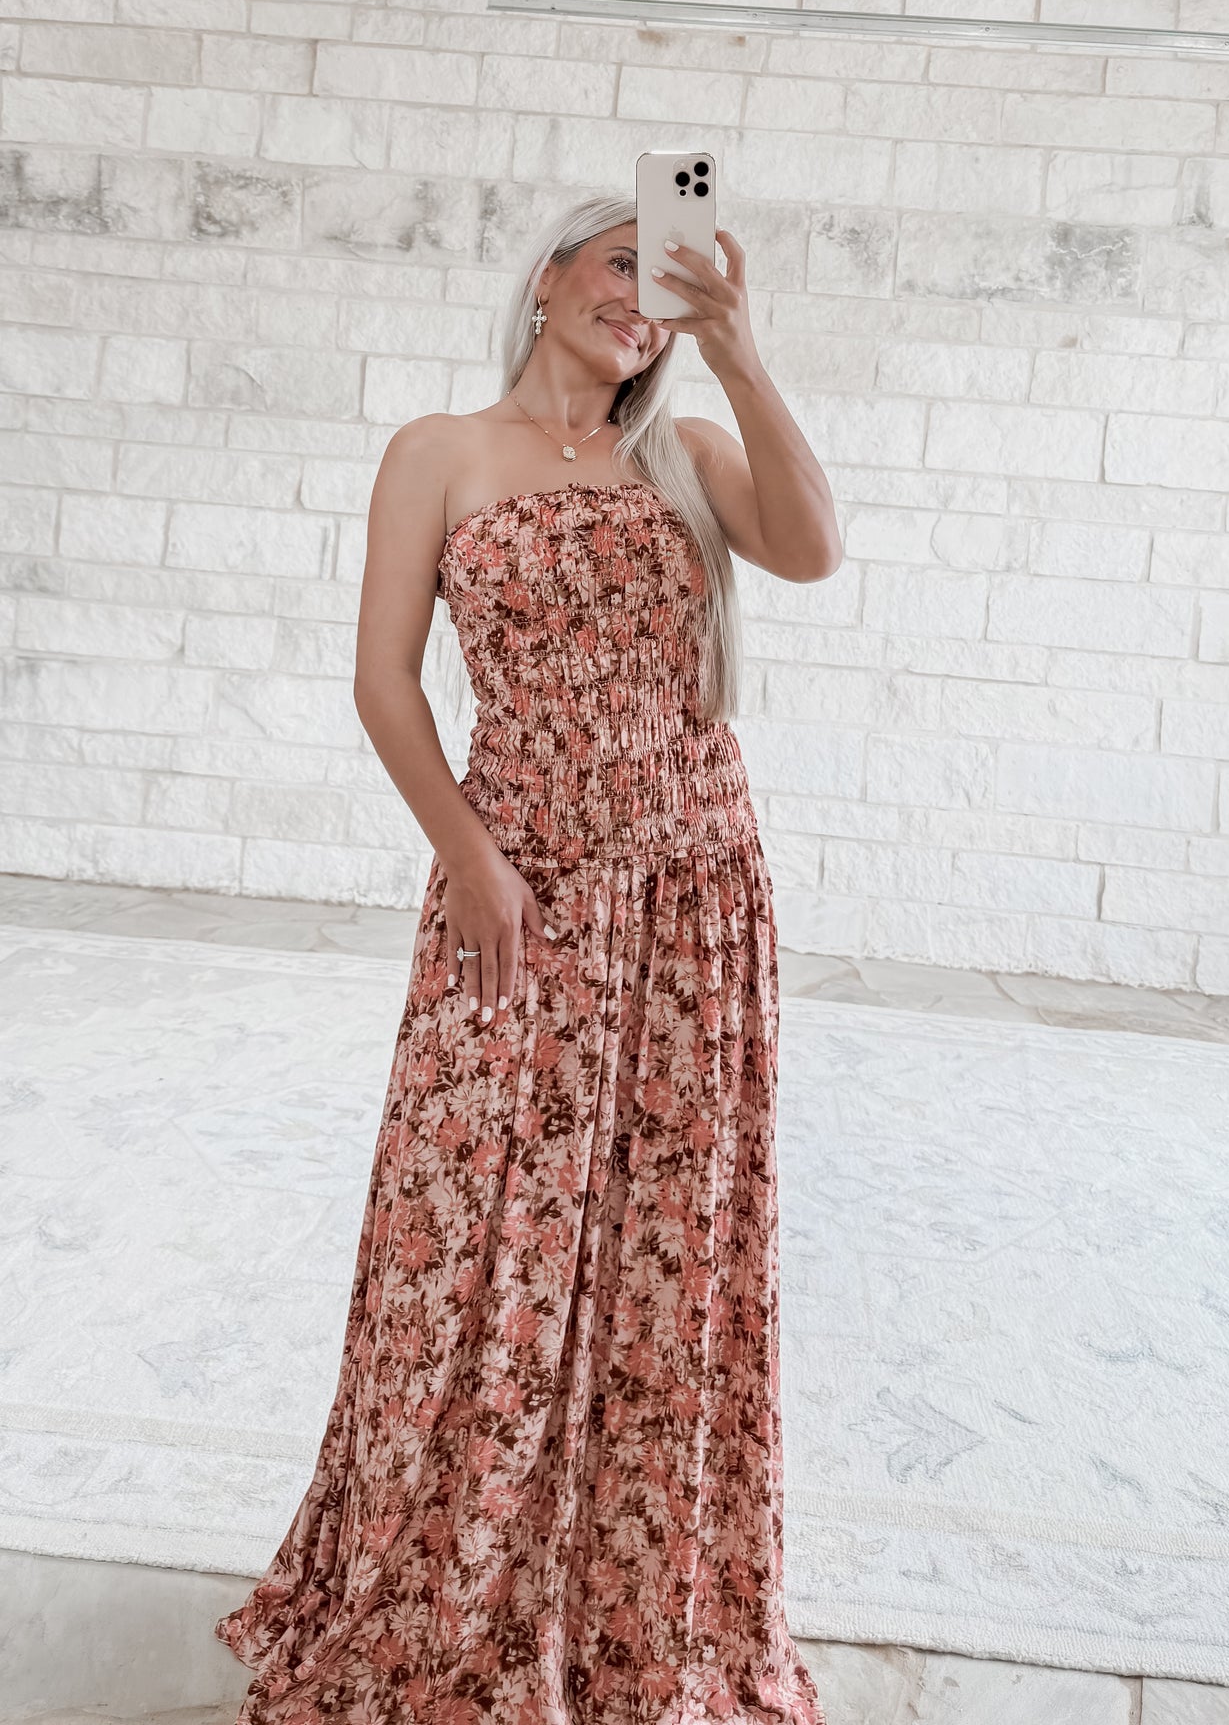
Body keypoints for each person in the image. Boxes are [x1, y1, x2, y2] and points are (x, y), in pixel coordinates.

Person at [214, 191, 843, 1725]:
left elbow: (813, 552)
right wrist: (470, 857)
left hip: (691, 897)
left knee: (659, 1244)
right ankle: (451, 1582)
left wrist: (739, 352)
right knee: (467, 1239)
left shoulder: (688, 456)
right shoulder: (439, 451)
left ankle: (632, 1609)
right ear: (549, 275)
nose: (641, 301)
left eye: (668, 285)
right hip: (518, 891)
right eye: (623, 263)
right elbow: (383, 683)